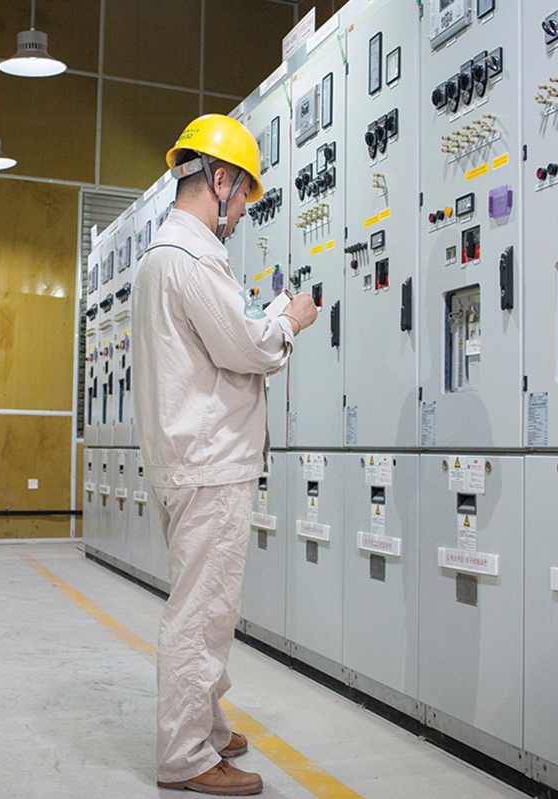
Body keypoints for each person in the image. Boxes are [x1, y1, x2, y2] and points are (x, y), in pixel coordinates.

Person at [133, 114, 319, 796]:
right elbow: (245, 348)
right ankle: (187, 756)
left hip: (190, 456)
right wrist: (288, 320)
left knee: (207, 605)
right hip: (208, 461)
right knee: (201, 612)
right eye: (243, 197)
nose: (242, 212)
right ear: (219, 180)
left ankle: (205, 722)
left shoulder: (163, 257)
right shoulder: (189, 260)